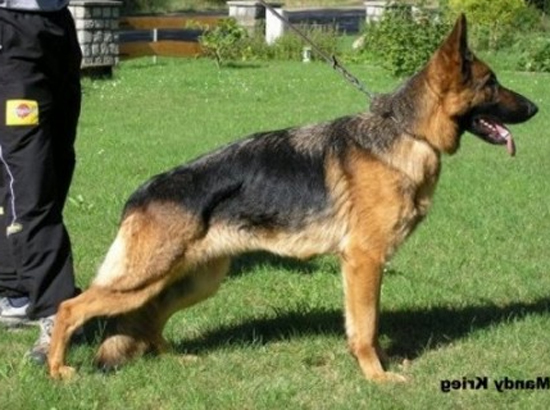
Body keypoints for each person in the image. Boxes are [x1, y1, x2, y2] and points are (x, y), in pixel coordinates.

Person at [0, 0, 82, 364]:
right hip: (10, 32)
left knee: (56, 164)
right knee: (28, 179)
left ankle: (14, 290)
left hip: (57, 25)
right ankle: (56, 310)